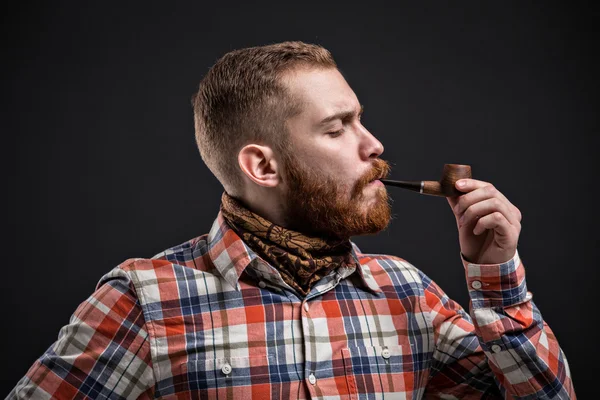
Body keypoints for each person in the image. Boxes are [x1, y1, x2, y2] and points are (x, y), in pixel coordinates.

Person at [8, 41, 575, 399]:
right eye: (337, 128)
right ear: (262, 165)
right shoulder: (143, 302)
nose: (374, 146)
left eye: (362, 121)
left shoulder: (408, 294)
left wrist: (497, 279)